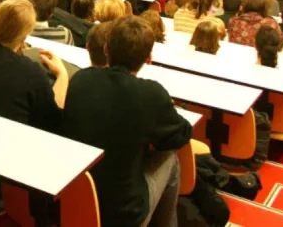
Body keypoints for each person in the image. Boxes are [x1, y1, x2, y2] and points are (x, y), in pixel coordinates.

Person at [62, 16, 192, 227]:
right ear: (148, 58)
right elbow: (182, 134)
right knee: (170, 159)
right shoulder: (151, 94)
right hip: (122, 214)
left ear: (106, 49)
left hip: (73, 199)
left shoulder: (80, 79)